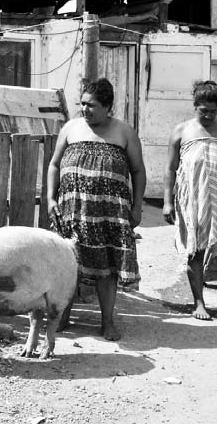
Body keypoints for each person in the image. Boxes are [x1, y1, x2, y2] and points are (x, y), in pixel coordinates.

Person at [47, 78, 146, 341]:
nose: (84, 109)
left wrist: (137, 208)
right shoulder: (70, 128)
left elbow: (137, 171)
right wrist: (50, 198)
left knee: (107, 268)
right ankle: (64, 316)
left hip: (109, 215)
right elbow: (54, 164)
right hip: (72, 211)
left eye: (91, 105)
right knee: (70, 264)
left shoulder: (124, 132)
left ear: (107, 106)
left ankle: (107, 322)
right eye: (82, 103)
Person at [163, 80, 217, 324]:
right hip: (193, 200)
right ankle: (199, 302)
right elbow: (170, 169)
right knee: (196, 254)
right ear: (195, 106)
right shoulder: (181, 131)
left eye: (213, 111)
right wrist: (167, 202)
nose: (209, 115)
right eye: (204, 110)